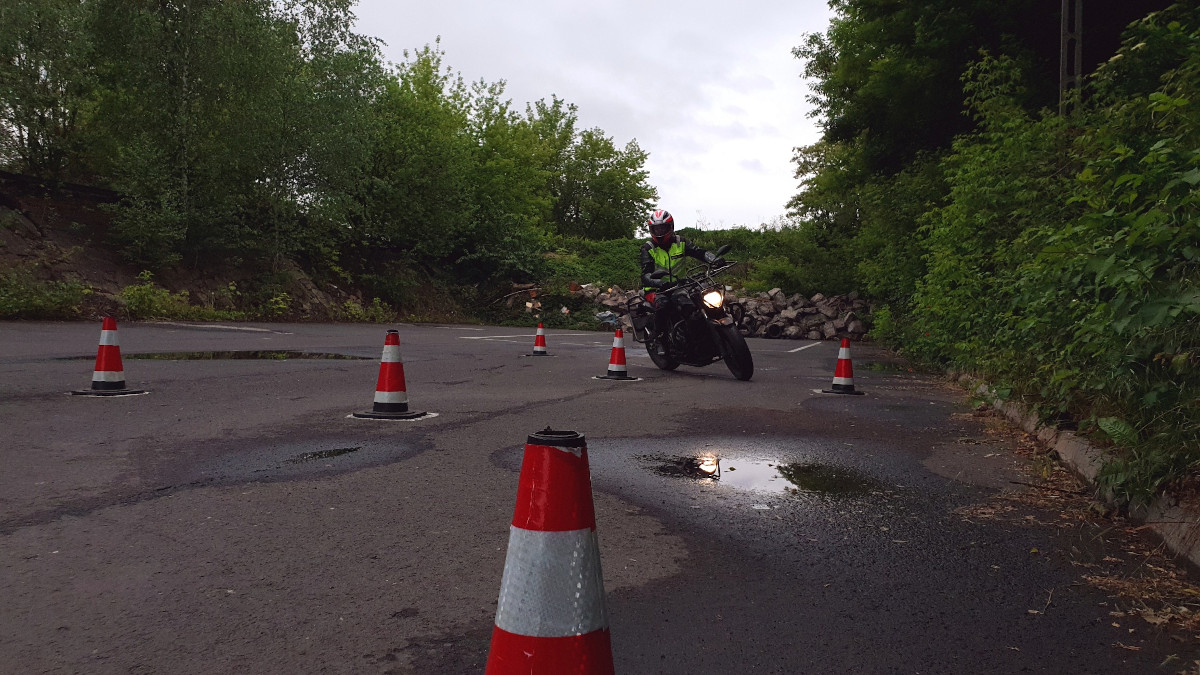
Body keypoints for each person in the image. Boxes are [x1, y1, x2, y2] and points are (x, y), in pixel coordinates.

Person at [639, 209, 724, 347]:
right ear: (651, 230)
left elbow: (698, 252)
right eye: (656, 229)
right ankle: (659, 338)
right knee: (663, 305)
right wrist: (659, 282)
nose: (659, 232)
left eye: (663, 228)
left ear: (671, 227)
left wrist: (713, 259)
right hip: (656, 289)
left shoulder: (680, 242)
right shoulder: (648, 248)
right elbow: (645, 274)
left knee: (692, 304)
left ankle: (700, 335)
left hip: (680, 285)